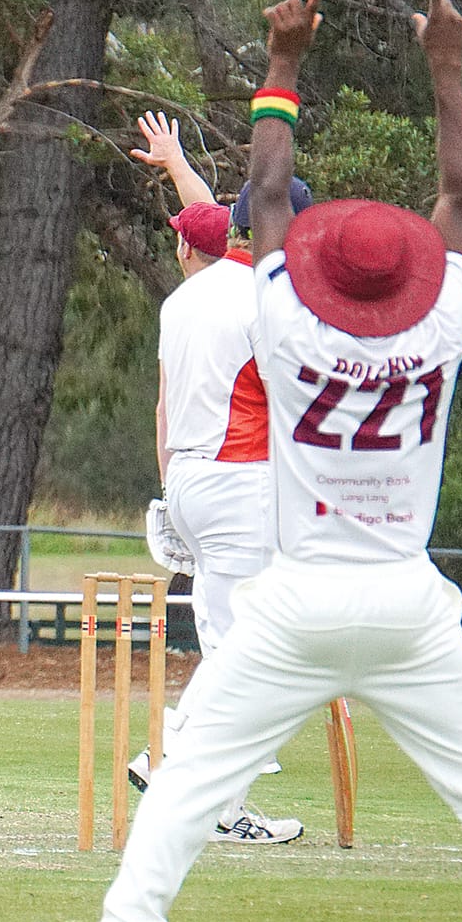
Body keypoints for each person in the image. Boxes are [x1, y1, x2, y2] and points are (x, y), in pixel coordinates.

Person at [58, 0, 462, 922]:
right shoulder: (436, 331)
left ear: (316, 275)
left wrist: (281, 63)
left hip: (298, 596)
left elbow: (262, 202)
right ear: (407, 277)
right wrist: (443, 65)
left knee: (186, 777)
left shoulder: (281, 321)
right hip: (406, 603)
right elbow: (458, 200)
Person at [128, 112, 302, 845]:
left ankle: (224, 804)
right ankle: (163, 756)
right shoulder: (264, 296)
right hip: (242, 484)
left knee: (243, 646)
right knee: (249, 653)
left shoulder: (184, 297)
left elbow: (166, 408)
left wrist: (172, 162)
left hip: (191, 484)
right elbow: (294, 399)